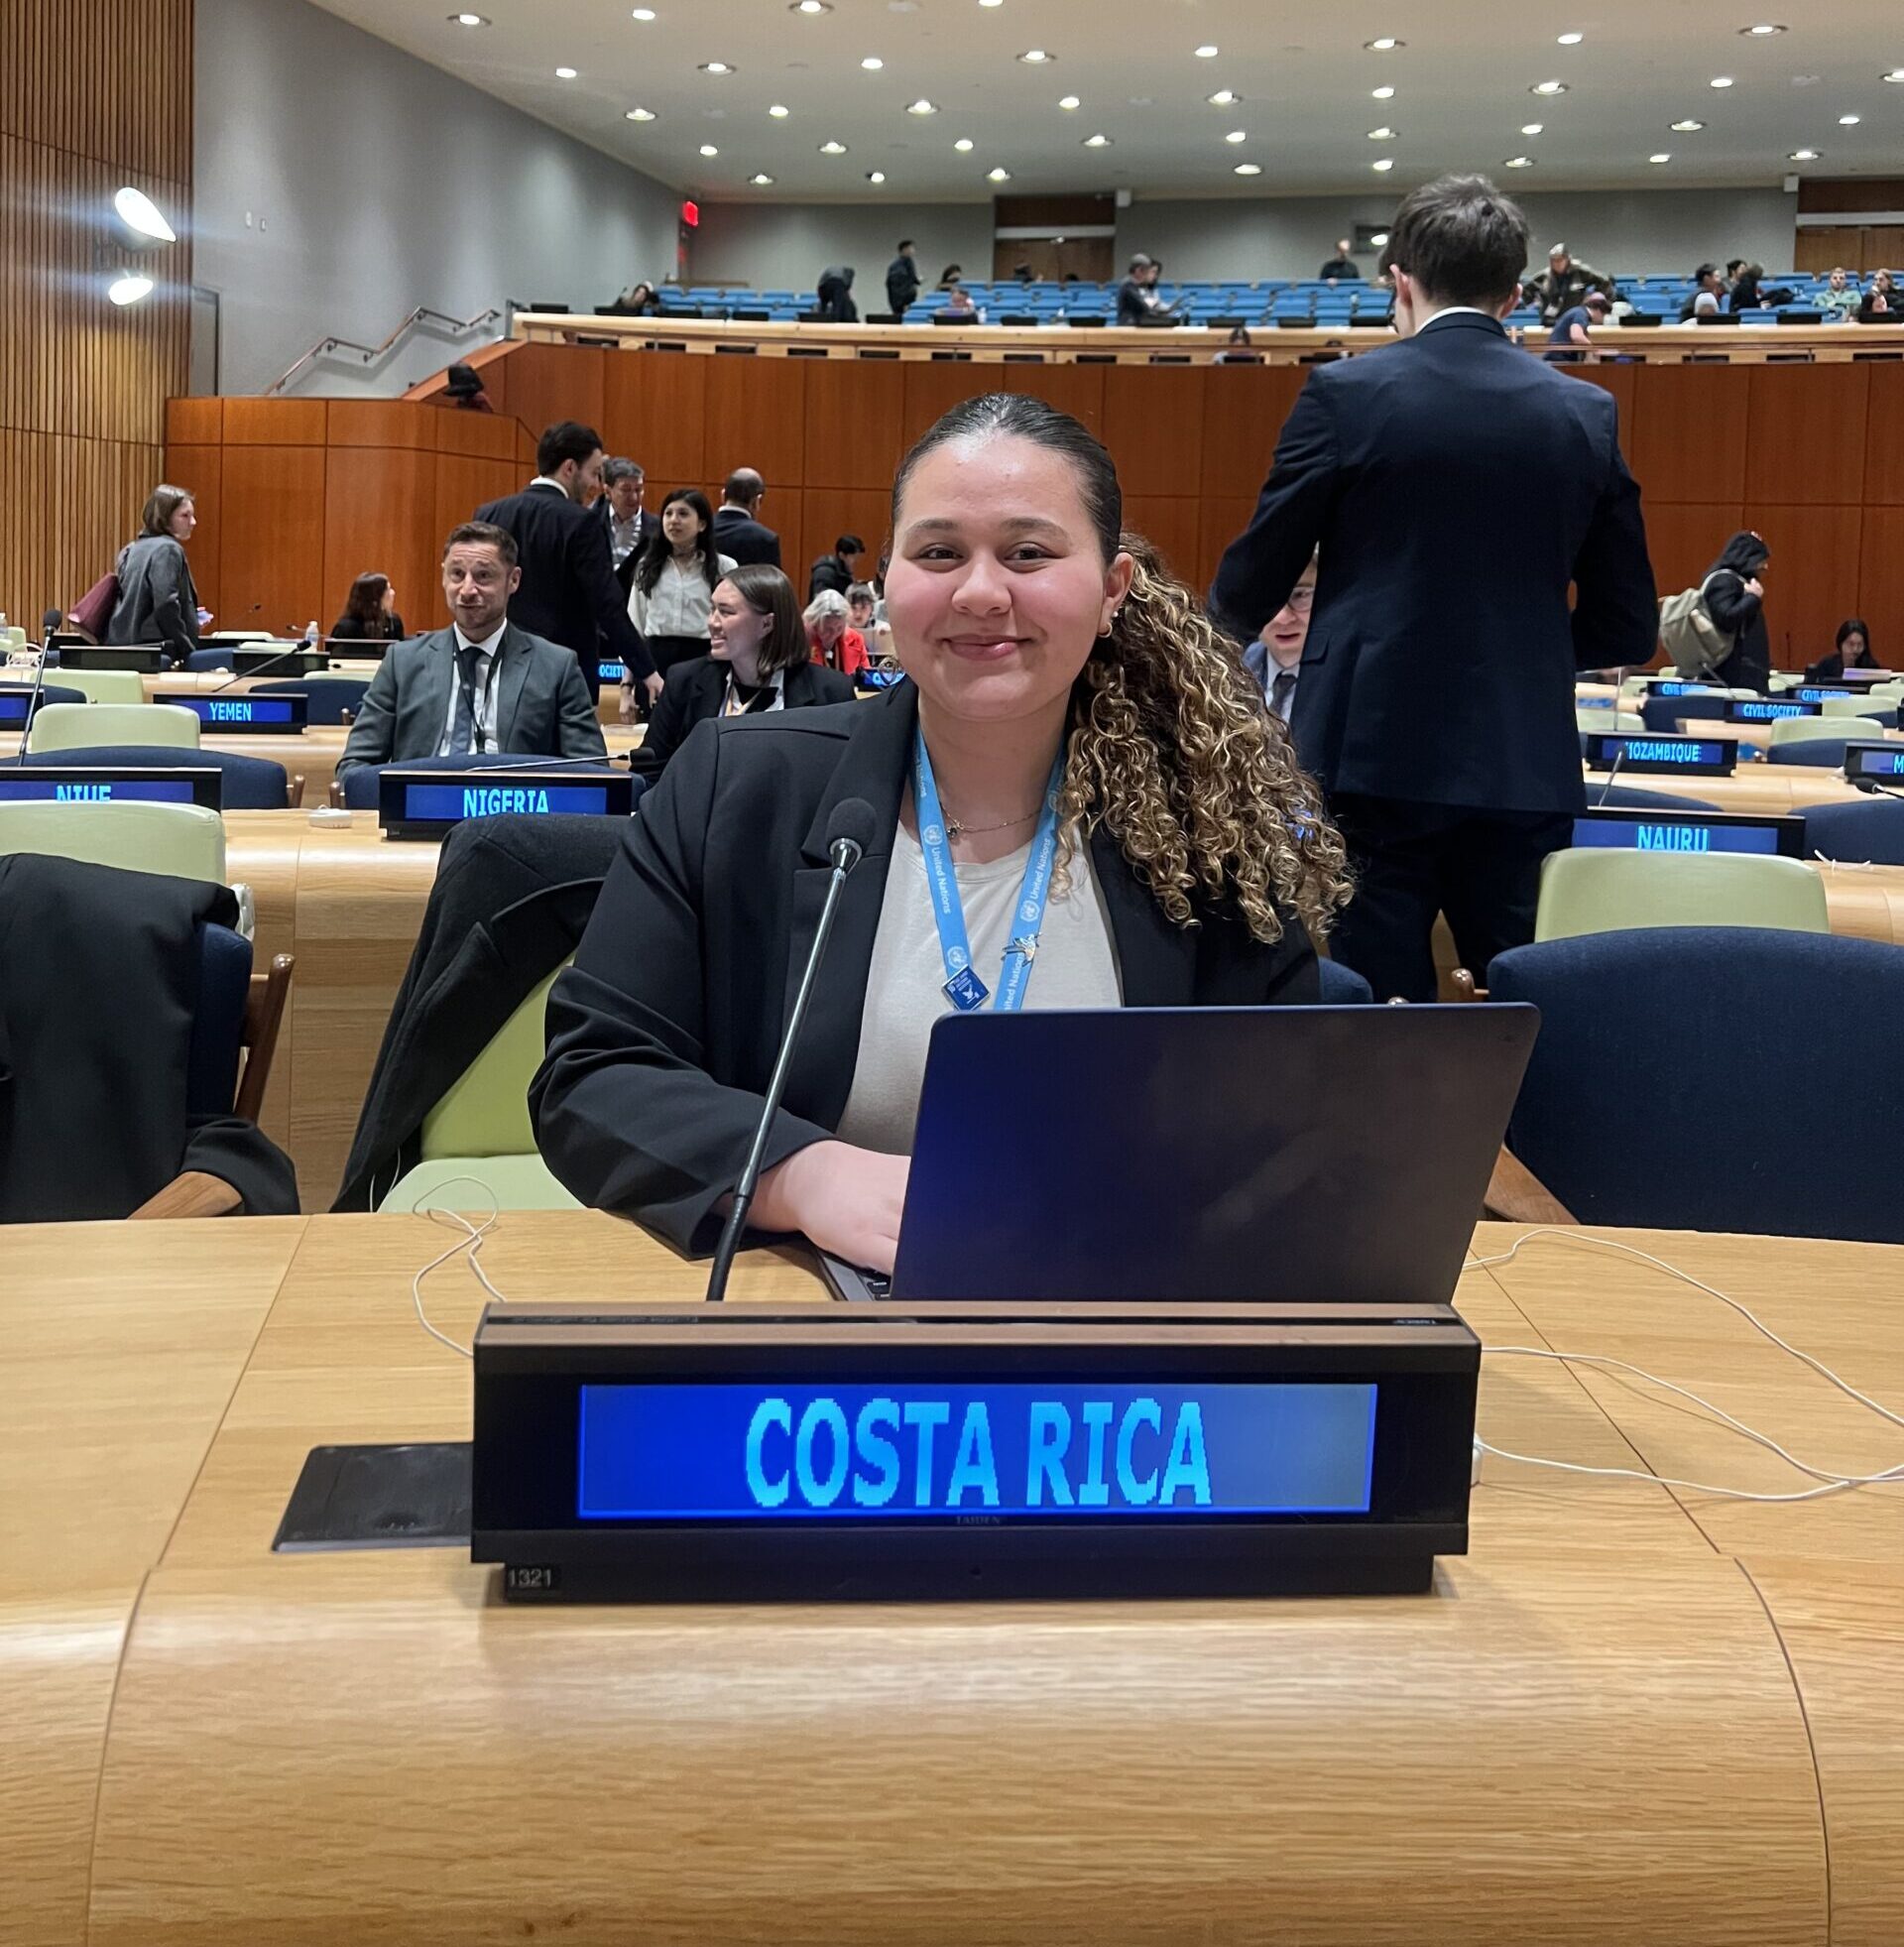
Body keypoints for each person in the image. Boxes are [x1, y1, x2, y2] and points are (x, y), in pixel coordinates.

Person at [531, 391, 1348, 1270]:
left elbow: (1291, 1130)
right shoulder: (735, 782)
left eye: (1029, 553)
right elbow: (593, 1073)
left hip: (1127, 1322)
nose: (982, 591)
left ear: (1113, 590)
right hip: (817, 1327)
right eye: (939, 552)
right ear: (889, 583)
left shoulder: (1209, 820)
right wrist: (795, 1175)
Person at [1209, 174, 1658, 1003]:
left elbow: (1256, 575)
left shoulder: (1345, 394)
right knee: (1522, 1004)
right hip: (1523, 763)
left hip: (1366, 755)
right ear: (1515, 292)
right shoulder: (1584, 414)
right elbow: (1628, 624)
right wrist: (1530, 655)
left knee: (1377, 1007)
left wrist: (1195, 648)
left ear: (1399, 282)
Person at [336, 523, 607, 780]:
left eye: (483, 576)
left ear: (513, 580)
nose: (466, 590)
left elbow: (593, 773)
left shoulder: (556, 666)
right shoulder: (402, 663)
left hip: (515, 818)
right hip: (420, 817)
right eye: (457, 574)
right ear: (443, 577)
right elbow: (354, 768)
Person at [475, 421, 659, 705]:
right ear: (570, 468)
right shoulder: (581, 522)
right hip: (564, 672)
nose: (597, 486)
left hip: (498, 663)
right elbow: (607, 604)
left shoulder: (488, 513)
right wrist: (646, 670)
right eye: (595, 474)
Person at [636, 565, 854, 774]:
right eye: (712, 609)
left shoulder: (832, 693)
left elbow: (847, 779)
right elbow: (650, 770)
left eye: (726, 612)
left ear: (767, 624)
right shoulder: (683, 681)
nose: (712, 622)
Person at [623, 489, 737, 711]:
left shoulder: (724, 567)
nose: (674, 520)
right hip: (655, 663)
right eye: (668, 514)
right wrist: (626, 687)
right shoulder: (647, 567)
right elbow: (634, 629)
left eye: (683, 514)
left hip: (705, 658)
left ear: (702, 524)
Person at [107, 484, 211, 665]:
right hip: (156, 651)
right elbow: (165, 603)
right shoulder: (168, 549)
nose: (193, 522)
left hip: (124, 647)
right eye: (184, 515)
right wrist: (185, 645)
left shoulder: (133, 548)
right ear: (163, 518)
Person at [1242, 554, 1316, 725]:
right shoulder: (1230, 673)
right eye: (1268, 601)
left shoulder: (1350, 679)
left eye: (1300, 595)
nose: (1282, 617)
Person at [1702, 531, 1772, 694]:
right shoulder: (1724, 581)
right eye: (1762, 559)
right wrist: (1753, 598)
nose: (1765, 566)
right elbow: (1726, 618)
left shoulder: (1734, 581)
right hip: (1733, 676)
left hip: (1741, 674)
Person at [596, 458, 654, 594]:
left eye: (638, 490)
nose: (634, 497)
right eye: (626, 490)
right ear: (607, 491)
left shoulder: (657, 529)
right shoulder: (590, 523)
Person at [1526, 242, 1614, 324]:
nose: (1557, 264)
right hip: (1549, 319)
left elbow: (1604, 282)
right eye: (1554, 260)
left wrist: (1595, 300)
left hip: (1575, 317)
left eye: (1560, 260)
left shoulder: (1580, 272)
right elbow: (1526, 289)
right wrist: (1535, 303)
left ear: (1567, 259)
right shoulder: (1545, 276)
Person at [711, 468, 781, 568]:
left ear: (723, 495)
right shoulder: (765, 538)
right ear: (757, 501)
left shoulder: (699, 530)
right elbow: (772, 582)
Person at [804, 588, 869, 677]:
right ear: (814, 623)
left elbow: (867, 679)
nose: (834, 634)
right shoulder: (802, 642)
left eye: (839, 628)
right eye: (828, 629)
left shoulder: (855, 640)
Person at [329, 571, 407, 643]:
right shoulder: (345, 629)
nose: (393, 593)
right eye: (388, 589)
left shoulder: (394, 623)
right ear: (375, 601)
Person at [1545, 289, 1609, 361]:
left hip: (1559, 354)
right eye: (1603, 315)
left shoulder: (1579, 311)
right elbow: (1576, 336)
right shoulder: (1581, 314)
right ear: (1598, 310)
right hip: (1560, 357)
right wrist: (1594, 349)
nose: (1602, 320)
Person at [1806, 618, 1878, 682]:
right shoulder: (1827, 665)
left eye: (1860, 645)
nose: (1855, 649)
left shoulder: (1871, 667)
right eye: (1851, 644)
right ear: (1841, 643)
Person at [808, 534, 867, 601]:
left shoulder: (845, 572)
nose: (857, 561)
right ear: (842, 555)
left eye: (858, 557)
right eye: (854, 557)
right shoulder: (824, 573)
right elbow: (822, 601)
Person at [1117, 253, 1170, 325]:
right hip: (1128, 326)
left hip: (1133, 324)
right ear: (1139, 270)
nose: (1147, 275)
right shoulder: (1128, 284)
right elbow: (1143, 306)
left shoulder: (1133, 284)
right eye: (1146, 271)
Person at [847, 580, 892, 661]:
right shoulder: (839, 630)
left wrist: (888, 636)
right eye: (853, 608)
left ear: (871, 607)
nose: (858, 614)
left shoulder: (881, 628)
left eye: (863, 607)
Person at [886, 239, 921, 319]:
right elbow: (899, 284)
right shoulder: (897, 266)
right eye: (911, 248)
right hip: (902, 302)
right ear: (905, 249)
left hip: (907, 300)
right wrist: (904, 301)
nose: (913, 251)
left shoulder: (908, 262)